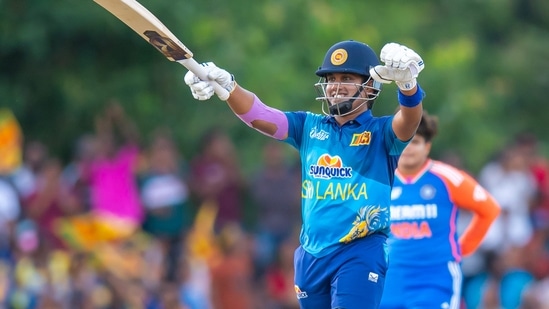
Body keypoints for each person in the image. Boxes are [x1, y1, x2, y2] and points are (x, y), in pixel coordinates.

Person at [184, 40, 425, 308]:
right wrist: (228, 87)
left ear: (370, 85)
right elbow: (259, 115)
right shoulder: (309, 127)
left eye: (347, 77)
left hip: (360, 249)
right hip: (311, 255)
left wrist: (408, 86)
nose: (335, 85)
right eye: (331, 78)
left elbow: (411, 121)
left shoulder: (382, 134)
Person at [379, 111, 501, 309]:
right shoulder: (380, 178)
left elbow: (489, 209)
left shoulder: (447, 177)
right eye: (403, 141)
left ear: (427, 146)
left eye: (416, 141)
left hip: (435, 277)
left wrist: (462, 248)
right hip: (389, 279)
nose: (408, 148)